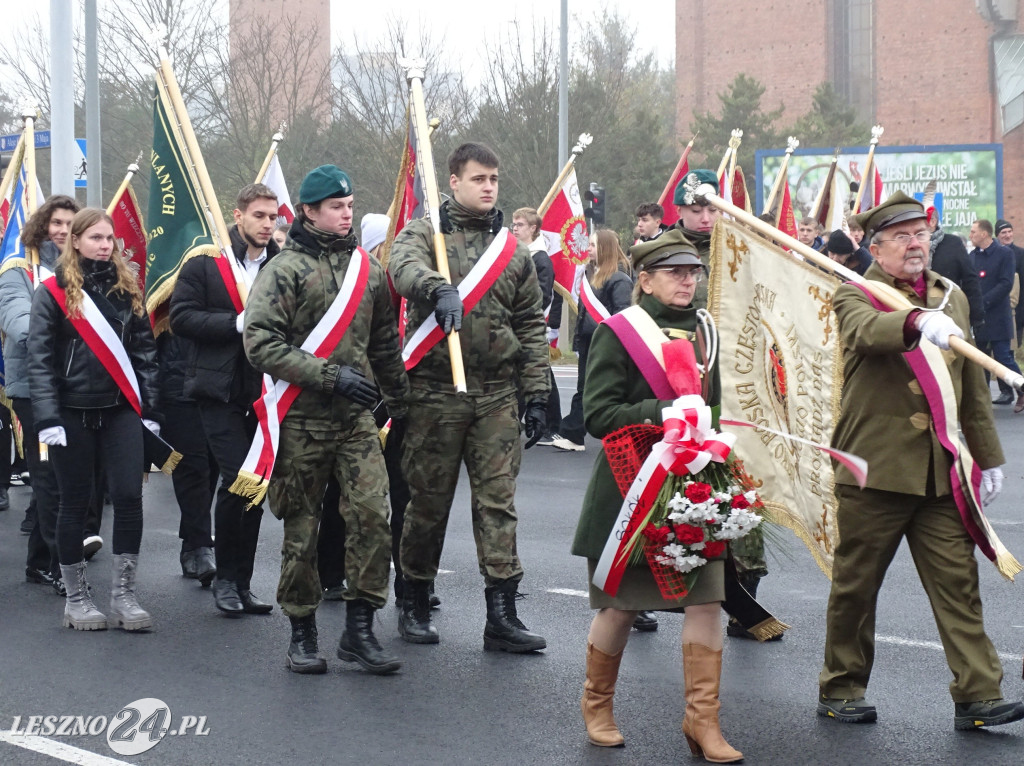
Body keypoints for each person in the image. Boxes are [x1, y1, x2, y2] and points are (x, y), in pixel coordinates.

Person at [818, 192, 1024, 730]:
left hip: (939, 470)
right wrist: (913, 323)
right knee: (856, 588)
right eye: (902, 237)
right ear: (878, 248)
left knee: (959, 584)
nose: (916, 245)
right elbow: (864, 333)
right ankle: (841, 687)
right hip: (874, 469)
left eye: (921, 235)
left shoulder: (948, 296)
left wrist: (987, 456)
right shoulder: (855, 292)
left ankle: (978, 695)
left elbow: (970, 385)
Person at [572, 230, 742, 762]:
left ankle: (702, 720)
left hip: (695, 485)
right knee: (622, 606)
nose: (687, 279)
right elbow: (598, 415)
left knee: (707, 599)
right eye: (674, 271)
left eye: (692, 271)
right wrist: (659, 413)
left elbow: (718, 404)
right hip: (632, 487)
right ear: (643, 279)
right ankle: (597, 706)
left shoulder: (708, 330)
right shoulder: (619, 333)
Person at [244, 165, 408, 675]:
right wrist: (329, 376)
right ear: (310, 212)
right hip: (302, 421)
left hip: (356, 423)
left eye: (350, 205)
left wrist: (402, 408)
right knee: (303, 529)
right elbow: (260, 343)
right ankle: (302, 629)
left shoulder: (370, 270)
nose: (346, 214)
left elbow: (384, 345)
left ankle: (360, 629)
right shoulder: (284, 269)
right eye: (336, 207)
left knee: (373, 519)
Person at [388, 142, 549, 652]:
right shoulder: (426, 234)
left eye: (494, 179)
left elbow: (530, 325)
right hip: (435, 394)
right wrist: (438, 287)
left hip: (496, 394)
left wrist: (540, 392)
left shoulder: (513, 252)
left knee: (498, 505)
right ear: (453, 181)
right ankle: (414, 596)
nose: (488, 187)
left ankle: (502, 612)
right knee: (427, 505)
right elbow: (400, 266)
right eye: (478, 178)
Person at [26, 208, 160, 632]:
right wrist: (47, 417)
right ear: (77, 241)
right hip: (71, 413)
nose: (106, 245)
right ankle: (77, 598)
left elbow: (145, 356)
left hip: (120, 410)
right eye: (97, 238)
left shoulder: (128, 289)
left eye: (110, 238)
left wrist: (151, 413)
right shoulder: (52, 293)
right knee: (74, 503)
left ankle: (124, 596)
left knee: (128, 497)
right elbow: (41, 361)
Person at [170, 183, 280, 616]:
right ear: (238, 216)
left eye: (273, 217)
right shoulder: (206, 265)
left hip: (266, 392)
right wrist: (237, 323)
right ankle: (226, 581)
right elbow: (181, 318)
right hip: (218, 392)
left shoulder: (280, 264)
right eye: (259, 215)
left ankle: (242, 582)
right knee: (238, 479)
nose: (268, 224)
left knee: (255, 487)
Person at [0, 194, 79, 595]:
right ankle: (57, 564)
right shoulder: (18, 268)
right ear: (40, 226)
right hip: (33, 388)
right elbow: (18, 320)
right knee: (48, 476)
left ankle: (40, 561)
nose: (63, 231)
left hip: (76, 386)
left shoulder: (83, 268)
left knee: (72, 476)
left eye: (70, 223)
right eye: (56, 223)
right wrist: (58, 336)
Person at [155, 331, 217, 585]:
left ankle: (192, 542)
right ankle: (202, 546)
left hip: (219, 378)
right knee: (191, 466)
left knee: (212, 466)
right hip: (176, 379)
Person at [511, 206, 561, 446]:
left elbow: (543, 296)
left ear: (533, 228)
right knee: (537, 374)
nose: (515, 228)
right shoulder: (516, 254)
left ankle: (550, 425)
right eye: (514, 224)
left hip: (529, 325)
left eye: (520, 225)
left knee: (531, 375)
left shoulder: (540, 259)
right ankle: (548, 423)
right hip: (515, 323)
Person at [968, 219, 1023, 408]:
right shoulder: (972, 257)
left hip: (998, 316)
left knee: (1003, 357)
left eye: (973, 231)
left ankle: (1021, 390)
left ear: (984, 234)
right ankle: (981, 399)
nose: (971, 235)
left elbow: (1006, 283)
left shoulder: (1004, 254)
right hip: (979, 318)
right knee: (980, 359)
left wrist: (984, 302)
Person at [927, 208, 984, 330]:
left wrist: (976, 317)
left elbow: (970, 279)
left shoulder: (952, 243)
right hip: (920, 314)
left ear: (932, 222)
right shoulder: (913, 244)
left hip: (949, 312)